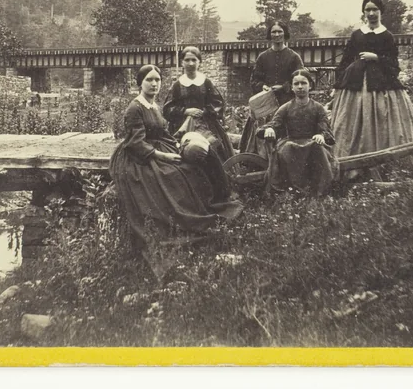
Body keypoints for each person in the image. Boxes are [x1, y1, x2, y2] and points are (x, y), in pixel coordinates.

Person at [109, 65, 242, 251]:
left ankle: (203, 206)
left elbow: (162, 133)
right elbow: (136, 143)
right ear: (139, 83)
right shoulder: (135, 108)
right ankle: (181, 220)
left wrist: (177, 144)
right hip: (139, 156)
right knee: (172, 175)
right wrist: (164, 156)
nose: (154, 84)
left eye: (157, 80)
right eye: (149, 80)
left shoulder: (154, 105)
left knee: (191, 168)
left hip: (158, 147)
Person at [330, 0, 413, 162]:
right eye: (368, 10)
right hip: (355, 83)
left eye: (375, 10)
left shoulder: (387, 36)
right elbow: (345, 60)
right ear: (363, 12)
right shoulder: (357, 34)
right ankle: (351, 161)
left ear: (381, 12)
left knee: (383, 118)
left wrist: (377, 58)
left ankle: (385, 161)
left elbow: (394, 64)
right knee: (349, 123)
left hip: (381, 84)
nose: (371, 13)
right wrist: (338, 85)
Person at [260, 69, 339, 197]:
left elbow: (325, 128)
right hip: (291, 141)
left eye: (304, 83)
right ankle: (290, 192)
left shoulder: (318, 108)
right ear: (291, 87)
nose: (300, 87)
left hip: (312, 142)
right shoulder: (286, 108)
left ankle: (318, 192)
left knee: (318, 148)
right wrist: (270, 129)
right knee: (287, 149)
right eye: (296, 84)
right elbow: (275, 123)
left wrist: (321, 135)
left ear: (310, 86)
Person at [239, 21, 304, 157]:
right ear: (270, 35)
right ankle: (260, 159)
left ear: (285, 34)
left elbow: (301, 79)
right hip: (266, 104)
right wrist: (262, 86)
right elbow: (254, 80)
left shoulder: (294, 57)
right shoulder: (263, 57)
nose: (277, 34)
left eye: (279, 31)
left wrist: (284, 87)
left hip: (286, 102)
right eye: (274, 32)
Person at [162, 46, 234, 163]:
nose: (190, 63)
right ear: (182, 62)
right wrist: (185, 111)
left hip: (206, 123)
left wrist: (205, 111)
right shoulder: (177, 85)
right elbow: (167, 109)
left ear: (199, 62)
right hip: (182, 126)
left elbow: (218, 103)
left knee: (213, 149)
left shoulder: (206, 82)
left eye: (194, 60)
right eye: (187, 60)